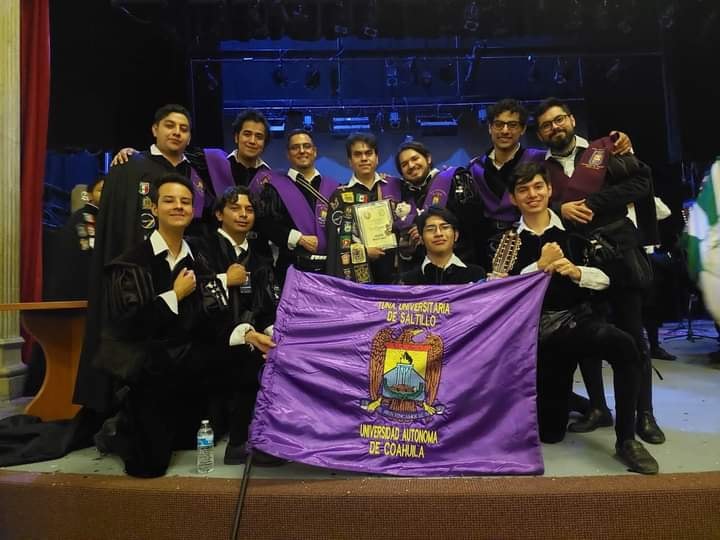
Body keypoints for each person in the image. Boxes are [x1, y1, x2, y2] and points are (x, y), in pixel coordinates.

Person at [505, 162, 658, 475]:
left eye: (538, 186)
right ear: (513, 198)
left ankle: (626, 439)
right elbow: (499, 291)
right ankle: (574, 401)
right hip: (534, 336)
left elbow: (607, 278)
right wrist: (538, 267)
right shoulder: (505, 241)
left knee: (625, 346)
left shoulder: (575, 232)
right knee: (551, 433)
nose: (532, 194)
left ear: (549, 190)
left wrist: (577, 272)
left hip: (576, 323)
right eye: (523, 189)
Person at [535, 97, 664, 445]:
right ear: (540, 134)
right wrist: (562, 208)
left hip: (620, 253)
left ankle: (644, 415)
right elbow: (539, 203)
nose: (554, 127)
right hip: (578, 258)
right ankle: (598, 408)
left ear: (572, 120)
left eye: (559, 120)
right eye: (546, 125)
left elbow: (640, 184)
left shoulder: (604, 150)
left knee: (633, 334)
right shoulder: (541, 168)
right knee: (587, 336)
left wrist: (593, 202)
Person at [92, 173, 236, 478]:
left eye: (185, 201)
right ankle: (120, 428)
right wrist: (175, 295)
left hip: (191, 364)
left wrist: (246, 335)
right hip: (149, 367)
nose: (179, 207)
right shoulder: (131, 263)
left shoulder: (198, 260)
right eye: (169, 201)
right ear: (154, 208)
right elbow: (130, 325)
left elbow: (215, 315)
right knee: (148, 466)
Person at [73, 104, 200, 414]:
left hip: (182, 270)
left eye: (184, 128)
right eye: (169, 126)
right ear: (155, 130)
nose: (177, 133)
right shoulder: (129, 167)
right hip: (138, 277)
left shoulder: (196, 173)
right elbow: (115, 227)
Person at [469, 98, 632, 269]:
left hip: (533, 235)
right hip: (487, 240)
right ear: (490, 128)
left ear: (523, 129)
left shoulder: (542, 159)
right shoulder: (475, 167)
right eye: (498, 124)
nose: (505, 130)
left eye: (512, 125)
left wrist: (618, 140)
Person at [191, 185, 280, 465]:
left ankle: (278, 437)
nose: (243, 214)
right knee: (248, 358)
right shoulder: (200, 248)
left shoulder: (260, 256)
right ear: (219, 214)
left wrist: (273, 334)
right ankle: (240, 443)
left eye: (249, 209)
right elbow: (195, 296)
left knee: (281, 355)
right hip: (210, 334)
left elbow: (266, 305)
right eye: (235, 208)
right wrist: (224, 280)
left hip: (251, 332)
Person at [250, 129, 339, 284]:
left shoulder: (335, 188)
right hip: (292, 269)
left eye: (306, 146)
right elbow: (265, 223)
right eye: (295, 147)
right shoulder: (274, 187)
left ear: (315, 151)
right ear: (288, 154)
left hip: (330, 270)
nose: (302, 151)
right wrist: (299, 239)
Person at [325, 133, 404, 284]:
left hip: (396, 273)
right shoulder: (340, 196)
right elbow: (336, 244)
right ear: (350, 161)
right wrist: (363, 252)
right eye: (357, 154)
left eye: (369, 153)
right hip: (358, 278)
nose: (364, 158)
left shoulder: (395, 186)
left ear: (377, 158)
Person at [394, 141, 482, 270]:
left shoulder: (454, 179)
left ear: (428, 158)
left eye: (415, 158)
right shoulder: (402, 196)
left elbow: (474, 223)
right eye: (404, 164)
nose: (411, 165)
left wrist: (429, 230)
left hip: (460, 266)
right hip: (422, 272)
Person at [45, 175, 104, 300]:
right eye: (100, 191)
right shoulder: (84, 218)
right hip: (80, 291)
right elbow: (88, 255)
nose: (105, 194)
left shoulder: (100, 217)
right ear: (89, 195)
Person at [398, 206, 485, 285]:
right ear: (421, 238)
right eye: (430, 229)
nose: (438, 234)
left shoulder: (475, 275)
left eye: (445, 227)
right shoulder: (408, 281)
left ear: (456, 235)